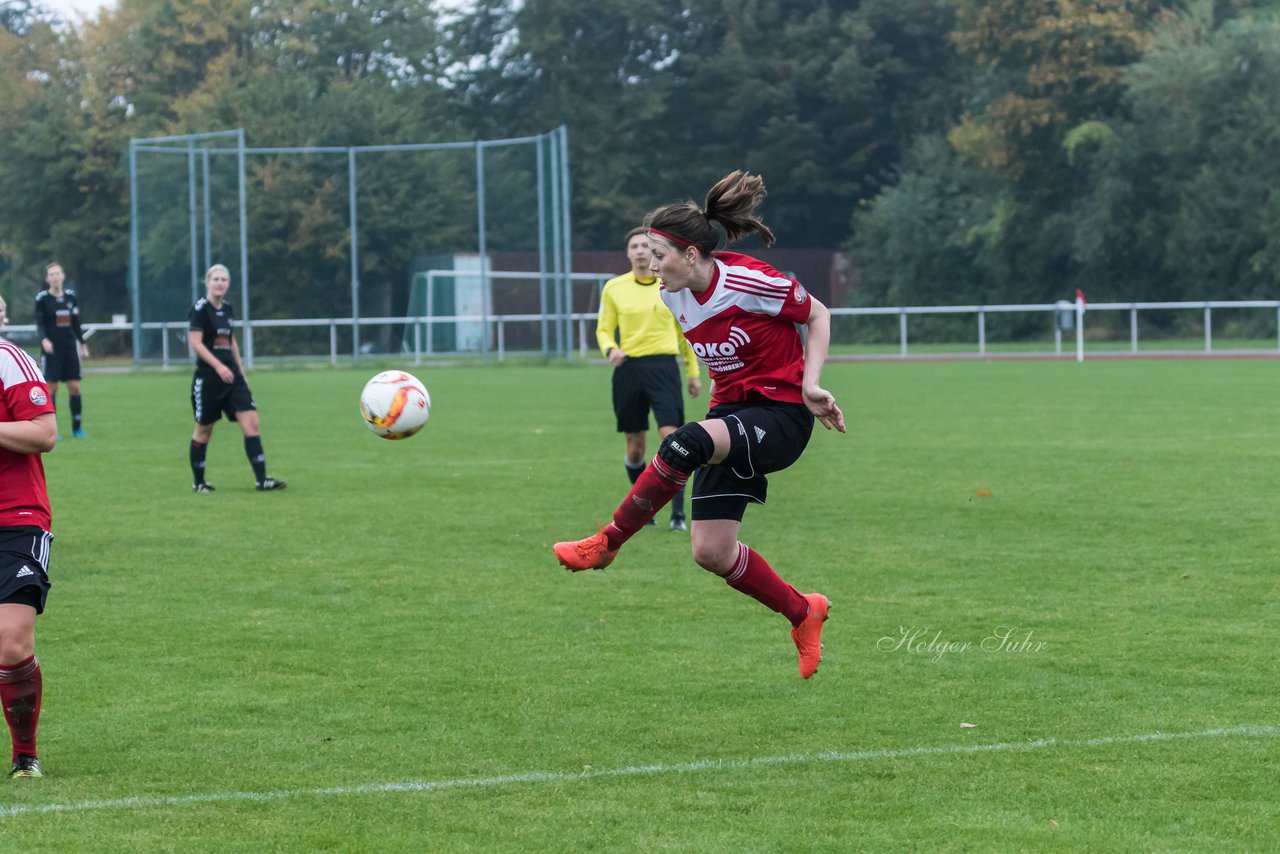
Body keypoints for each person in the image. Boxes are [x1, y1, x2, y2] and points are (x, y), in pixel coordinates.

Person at [554, 171, 846, 680]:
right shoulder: (673, 296)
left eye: (658, 252)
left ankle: (607, 543)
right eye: (645, 251)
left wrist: (810, 385)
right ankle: (804, 613)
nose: (650, 261)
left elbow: (817, 314)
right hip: (733, 416)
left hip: (782, 416)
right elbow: (724, 363)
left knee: (684, 442)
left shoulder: (747, 281)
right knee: (710, 552)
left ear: (691, 254)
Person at [596, 226, 702, 531]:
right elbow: (604, 329)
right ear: (628, 253)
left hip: (664, 368)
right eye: (635, 246)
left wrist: (692, 373)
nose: (641, 251)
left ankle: (678, 516)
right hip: (629, 370)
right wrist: (610, 349)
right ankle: (645, 510)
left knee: (673, 441)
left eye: (646, 245)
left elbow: (687, 333)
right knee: (635, 448)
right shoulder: (614, 288)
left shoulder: (670, 285)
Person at [0, 295, 57, 778]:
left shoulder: (11, 362)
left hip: (16, 518)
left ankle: (25, 755)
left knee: (13, 644)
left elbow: (44, 432)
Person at [187, 264, 286, 493]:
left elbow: (230, 342)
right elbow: (196, 343)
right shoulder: (200, 309)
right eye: (216, 279)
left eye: (224, 279)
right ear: (207, 282)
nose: (220, 283)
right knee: (204, 430)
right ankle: (199, 483)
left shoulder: (228, 310)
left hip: (232, 378)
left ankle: (262, 480)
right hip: (209, 378)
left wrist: (240, 372)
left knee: (252, 423)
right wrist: (218, 366)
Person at [34, 263, 89, 438]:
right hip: (52, 350)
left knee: (74, 387)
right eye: (52, 274)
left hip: (69, 348)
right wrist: (44, 340)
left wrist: (83, 343)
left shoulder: (71, 297)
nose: (55, 277)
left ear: (63, 276)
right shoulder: (42, 299)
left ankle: (77, 428)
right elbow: (39, 323)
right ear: (47, 278)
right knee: (51, 388)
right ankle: (52, 430)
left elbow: (76, 323)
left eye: (58, 273)